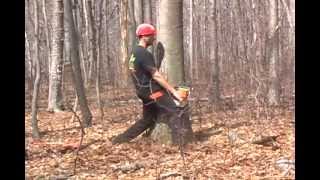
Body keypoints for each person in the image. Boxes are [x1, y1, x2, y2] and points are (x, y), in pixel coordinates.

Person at [112, 23, 184, 144]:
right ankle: (181, 144)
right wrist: (174, 92)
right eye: (151, 35)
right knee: (175, 110)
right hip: (153, 93)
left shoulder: (134, 53)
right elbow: (156, 75)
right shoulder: (144, 54)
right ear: (144, 36)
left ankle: (120, 140)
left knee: (148, 119)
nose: (154, 38)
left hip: (143, 92)